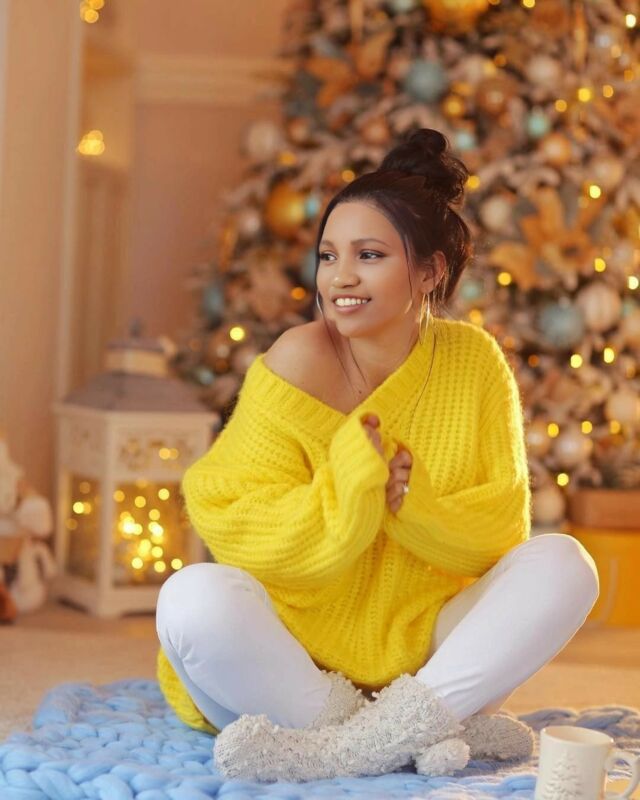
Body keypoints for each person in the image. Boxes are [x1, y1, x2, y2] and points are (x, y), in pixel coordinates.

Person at [155, 128, 599, 780]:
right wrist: (348, 495)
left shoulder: (474, 363)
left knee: (565, 565)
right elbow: (229, 513)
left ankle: (357, 746)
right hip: (290, 667)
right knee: (191, 599)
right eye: (328, 256)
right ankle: (405, 737)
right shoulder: (297, 358)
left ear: (429, 271)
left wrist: (413, 505)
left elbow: (501, 527)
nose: (341, 277)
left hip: (427, 661)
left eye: (369, 255)